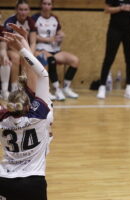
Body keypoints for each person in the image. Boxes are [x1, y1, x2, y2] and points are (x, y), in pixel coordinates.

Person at [0, 24, 52, 200]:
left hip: (4, 179)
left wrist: (24, 45)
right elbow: (40, 75)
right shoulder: (43, 113)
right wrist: (23, 47)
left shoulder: (3, 116)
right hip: (32, 181)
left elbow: (34, 77)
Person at [32, 0, 80, 101]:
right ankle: (56, 89)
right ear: (41, 5)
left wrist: (61, 35)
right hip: (40, 48)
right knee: (51, 59)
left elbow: (58, 31)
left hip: (54, 49)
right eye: (44, 4)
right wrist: (47, 39)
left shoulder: (55, 18)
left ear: (52, 6)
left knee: (75, 60)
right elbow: (32, 36)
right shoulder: (35, 18)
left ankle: (66, 88)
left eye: (49, 4)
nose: (46, 6)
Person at [96, 0, 130, 100]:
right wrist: (120, 8)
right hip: (115, 29)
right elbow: (107, 9)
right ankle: (102, 86)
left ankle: (129, 88)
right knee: (109, 57)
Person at [3, 0, 37, 93]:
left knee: (34, 58)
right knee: (16, 57)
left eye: (25, 9)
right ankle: (14, 88)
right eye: (21, 9)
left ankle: (28, 88)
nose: (23, 12)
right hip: (11, 49)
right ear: (16, 10)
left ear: (29, 10)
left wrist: (31, 54)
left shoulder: (31, 22)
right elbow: (7, 42)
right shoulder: (10, 22)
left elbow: (33, 42)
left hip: (25, 49)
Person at [0, 10, 11, 100]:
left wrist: (5, 56)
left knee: (4, 60)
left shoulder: (2, 29)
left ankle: (4, 91)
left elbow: (3, 48)